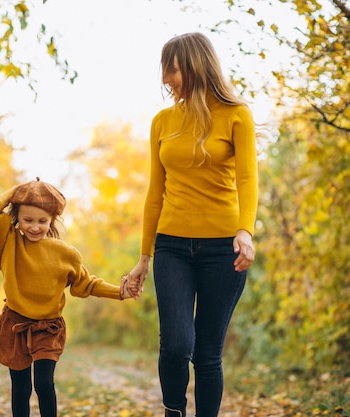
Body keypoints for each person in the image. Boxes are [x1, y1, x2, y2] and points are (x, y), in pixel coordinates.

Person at [125, 32, 259, 417]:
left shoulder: (237, 115)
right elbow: (155, 191)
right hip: (172, 246)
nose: (167, 79)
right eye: (165, 71)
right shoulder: (162, 122)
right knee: (176, 344)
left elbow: (248, 180)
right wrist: (143, 256)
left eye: (172, 69)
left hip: (223, 248)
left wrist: (245, 231)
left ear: (195, 65)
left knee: (207, 353)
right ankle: (174, 410)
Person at [0, 177, 135, 417]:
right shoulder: (7, 244)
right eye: (27, 220)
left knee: (44, 384)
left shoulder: (66, 254)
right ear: (17, 217)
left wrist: (120, 292)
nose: (34, 227)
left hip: (48, 328)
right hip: (15, 324)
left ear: (53, 219)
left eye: (42, 221)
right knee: (21, 388)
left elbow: (86, 284)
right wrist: (21, 191)